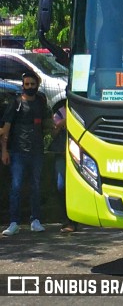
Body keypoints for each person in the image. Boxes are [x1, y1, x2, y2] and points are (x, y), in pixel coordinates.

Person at [1, 71, 53, 236]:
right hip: (17, 152)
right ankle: (14, 222)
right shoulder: (16, 103)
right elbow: (6, 129)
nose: (29, 87)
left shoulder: (41, 102)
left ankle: (35, 220)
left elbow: (48, 126)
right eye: (26, 84)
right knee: (15, 187)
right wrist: (4, 151)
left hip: (37, 152)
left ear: (37, 84)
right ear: (22, 85)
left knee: (36, 186)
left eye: (32, 84)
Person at [49, 105, 78, 233]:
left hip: (77, 155)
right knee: (61, 186)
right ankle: (66, 219)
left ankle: (74, 220)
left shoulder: (80, 111)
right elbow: (52, 132)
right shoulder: (60, 113)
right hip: (61, 154)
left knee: (76, 187)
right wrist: (63, 122)